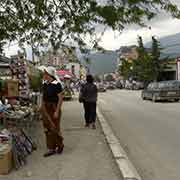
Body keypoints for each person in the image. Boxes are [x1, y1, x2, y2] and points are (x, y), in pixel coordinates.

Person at [41, 67, 64, 157]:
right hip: (45, 108)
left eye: (45, 73)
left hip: (54, 108)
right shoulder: (45, 84)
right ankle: (51, 148)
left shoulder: (57, 84)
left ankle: (60, 144)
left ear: (49, 74)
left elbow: (60, 98)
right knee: (47, 129)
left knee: (54, 128)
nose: (44, 75)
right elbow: (43, 97)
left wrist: (57, 111)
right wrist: (42, 108)